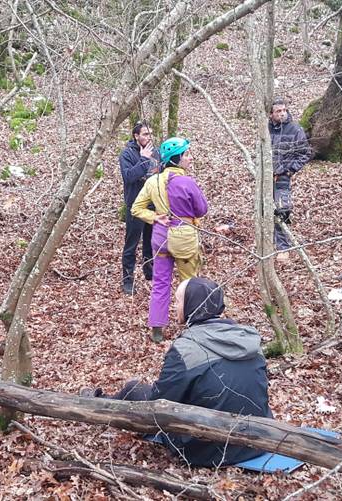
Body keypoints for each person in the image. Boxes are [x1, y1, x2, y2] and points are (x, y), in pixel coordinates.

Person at [79, 277, 272, 467]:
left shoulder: (186, 349)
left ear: (192, 305)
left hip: (206, 449)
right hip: (258, 439)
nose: (174, 307)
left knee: (134, 389)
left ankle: (96, 404)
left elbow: (159, 404)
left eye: (178, 301)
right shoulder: (248, 339)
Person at [131, 137, 208, 342]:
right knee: (190, 282)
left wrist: (154, 217)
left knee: (160, 282)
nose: (190, 158)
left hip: (160, 237)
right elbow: (202, 209)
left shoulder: (153, 181)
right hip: (183, 236)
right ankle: (194, 326)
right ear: (177, 159)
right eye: (187, 155)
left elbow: (136, 208)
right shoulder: (187, 182)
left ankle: (157, 327)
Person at [119, 121, 161, 295]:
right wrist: (143, 159)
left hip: (153, 204)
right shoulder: (127, 154)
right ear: (136, 136)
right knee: (131, 243)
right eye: (145, 134)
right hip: (135, 205)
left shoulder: (156, 152)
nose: (148, 137)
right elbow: (128, 177)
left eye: (150, 134)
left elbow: (160, 173)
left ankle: (149, 272)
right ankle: (127, 280)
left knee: (150, 242)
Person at [268, 98, 312, 257]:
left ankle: (283, 248)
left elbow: (305, 153)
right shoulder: (265, 128)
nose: (282, 114)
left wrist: (289, 170)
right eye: (278, 111)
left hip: (282, 177)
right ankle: (268, 244)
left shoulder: (295, 129)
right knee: (266, 211)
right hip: (265, 178)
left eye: (284, 110)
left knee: (282, 209)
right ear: (271, 114)